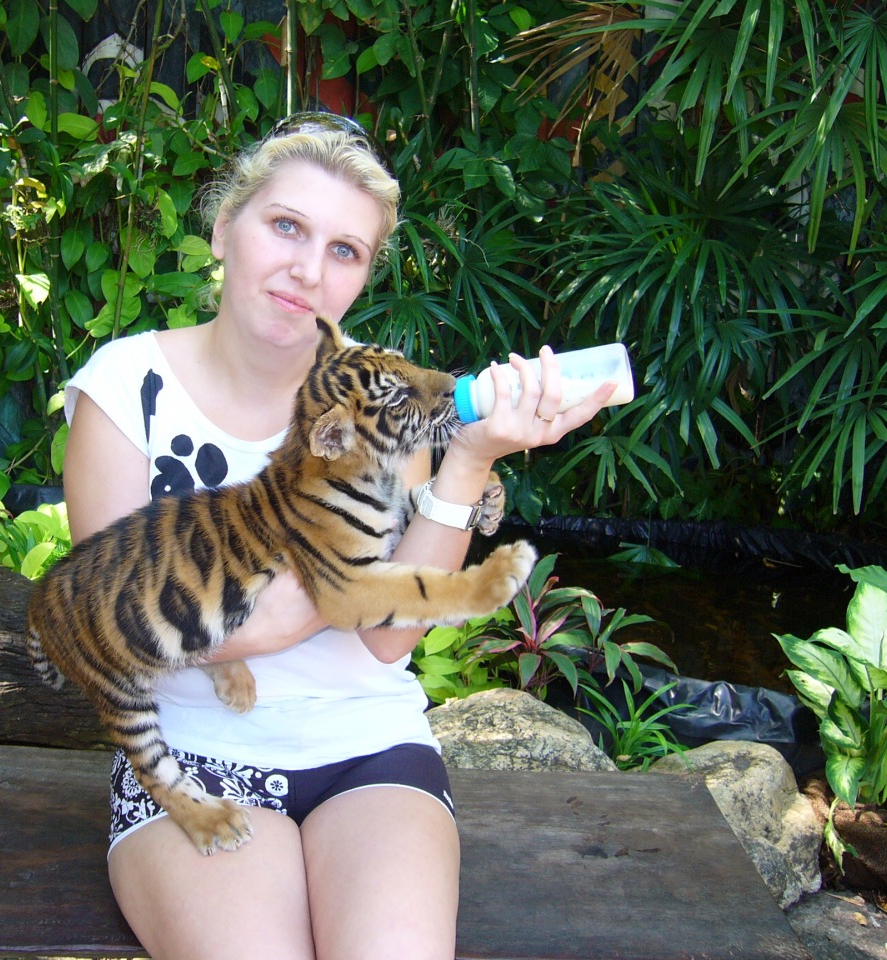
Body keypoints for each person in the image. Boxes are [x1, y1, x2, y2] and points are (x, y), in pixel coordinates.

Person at [60, 112, 617, 960]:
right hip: (192, 756)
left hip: (369, 751)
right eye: (287, 226)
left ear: (362, 276)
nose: (308, 270)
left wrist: (468, 459)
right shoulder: (125, 391)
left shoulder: (386, 392)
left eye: (345, 250)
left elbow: (389, 639)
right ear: (224, 227)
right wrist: (326, 594)